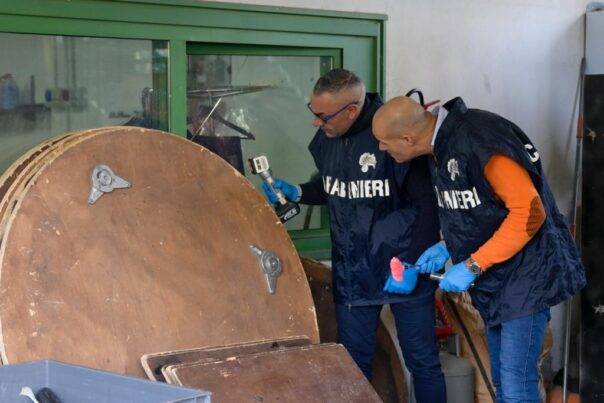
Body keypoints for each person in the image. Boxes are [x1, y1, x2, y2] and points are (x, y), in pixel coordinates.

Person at [372, 96, 586, 402]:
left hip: (526, 277)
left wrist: (473, 265)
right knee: (502, 383)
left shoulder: (480, 138)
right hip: (496, 282)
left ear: (407, 138)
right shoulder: (440, 148)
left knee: (516, 386)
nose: (381, 148)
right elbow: (482, 212)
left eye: (384, 141)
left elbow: (530, 213)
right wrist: (447, 247)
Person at [262, 69, 446, 402]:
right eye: (313, 112)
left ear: (351, 110)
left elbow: (428, 206)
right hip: (354, 269)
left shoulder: (393, 131)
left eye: (323, 116)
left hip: (403, 265)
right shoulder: (328, 137)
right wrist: (300, 192)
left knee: (422, 363)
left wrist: (411, 263)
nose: (316, 122)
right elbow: (335, 187)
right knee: (352, 366)